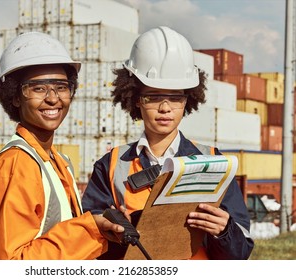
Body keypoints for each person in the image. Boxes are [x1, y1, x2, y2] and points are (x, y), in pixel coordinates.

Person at [81, 26, 254, 260]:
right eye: (152, 97)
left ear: (188, 100)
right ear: (136, 99)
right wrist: (112, 232)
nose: (165, 108)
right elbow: (88, 245)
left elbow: (240, 254)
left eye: (175, 98)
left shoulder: (214, 162)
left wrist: (224, 231)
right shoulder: (109, 166)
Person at [0, 31, 124, 260]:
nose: (53, 98)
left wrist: (100, 227)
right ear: (15, 96)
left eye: (61, 87)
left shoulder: (57, 163)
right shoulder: (16, 165)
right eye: (38, 88)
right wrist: (90, 230)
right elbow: (13, 263)